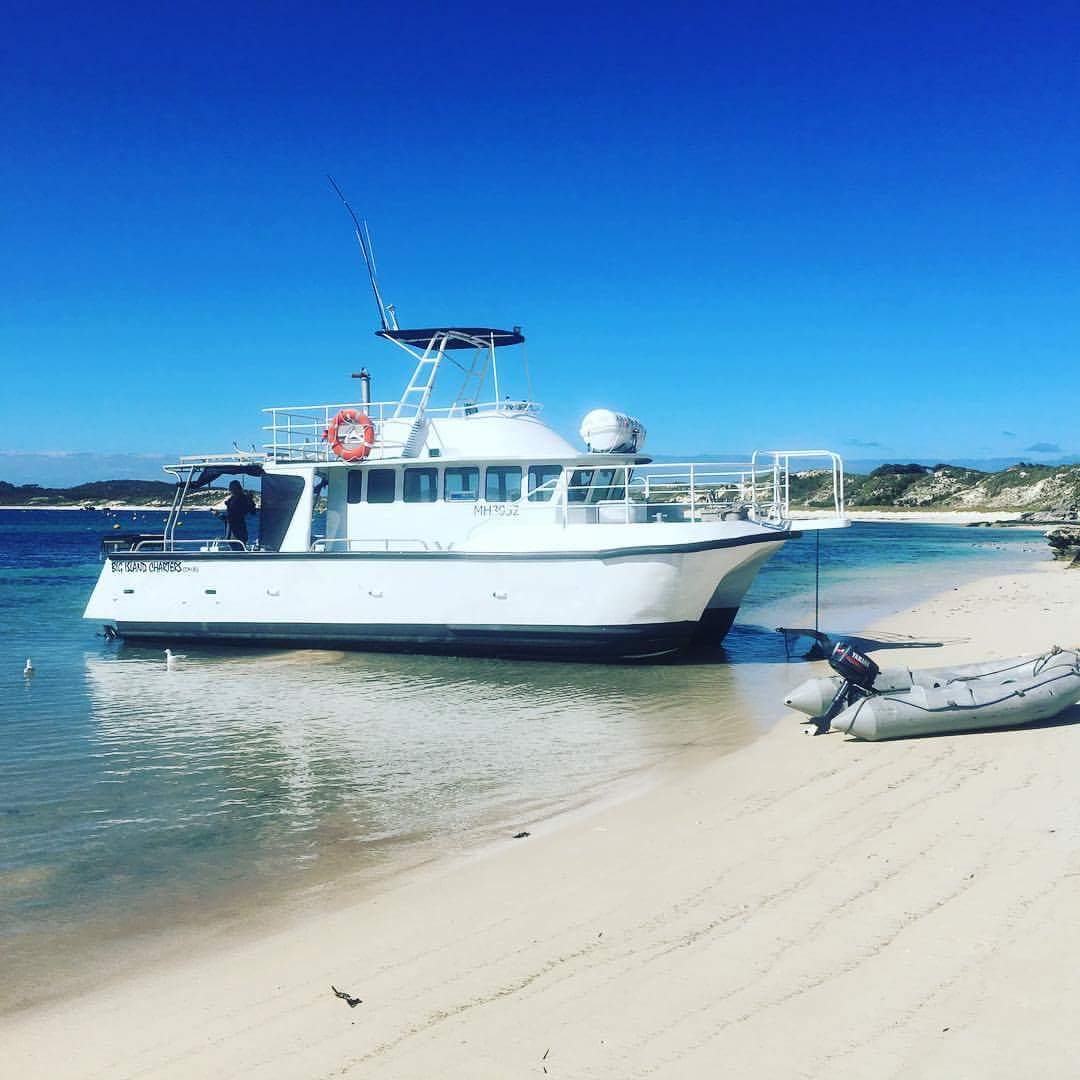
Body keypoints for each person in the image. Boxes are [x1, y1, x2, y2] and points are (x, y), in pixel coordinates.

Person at [221, 480, 256, 546]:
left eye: (232, 488)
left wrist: (220, 515)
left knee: (237, 547)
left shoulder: (240, 499)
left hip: (236, 532)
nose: (230, 490)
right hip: (235, 531)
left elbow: (233, 516)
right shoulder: (236, 499)